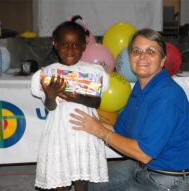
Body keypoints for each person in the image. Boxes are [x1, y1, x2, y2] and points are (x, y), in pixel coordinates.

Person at [69, 28, 189, 191]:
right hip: (141, 167)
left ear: (162, 60)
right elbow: (120, 131)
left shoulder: (167, 95)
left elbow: (143, 153)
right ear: (130, 57)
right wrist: (88, 120)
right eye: (136, 51)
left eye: (151, 51)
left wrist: (100, 131)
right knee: (88, 182)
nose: (142, 57)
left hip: (168, 178)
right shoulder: (140, 88)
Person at [31, 20, 109, 191]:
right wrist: (50, 96)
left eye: (76, 45)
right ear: (55, 44)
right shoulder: (46, 74)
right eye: (64, 44)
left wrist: (70, 95)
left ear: (84, 46)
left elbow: (96, 102)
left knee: (82, 178)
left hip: (85, 131)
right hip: (60, 132)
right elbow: (50, 107)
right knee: (61, 181)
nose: (70, 50)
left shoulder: (94, 71)